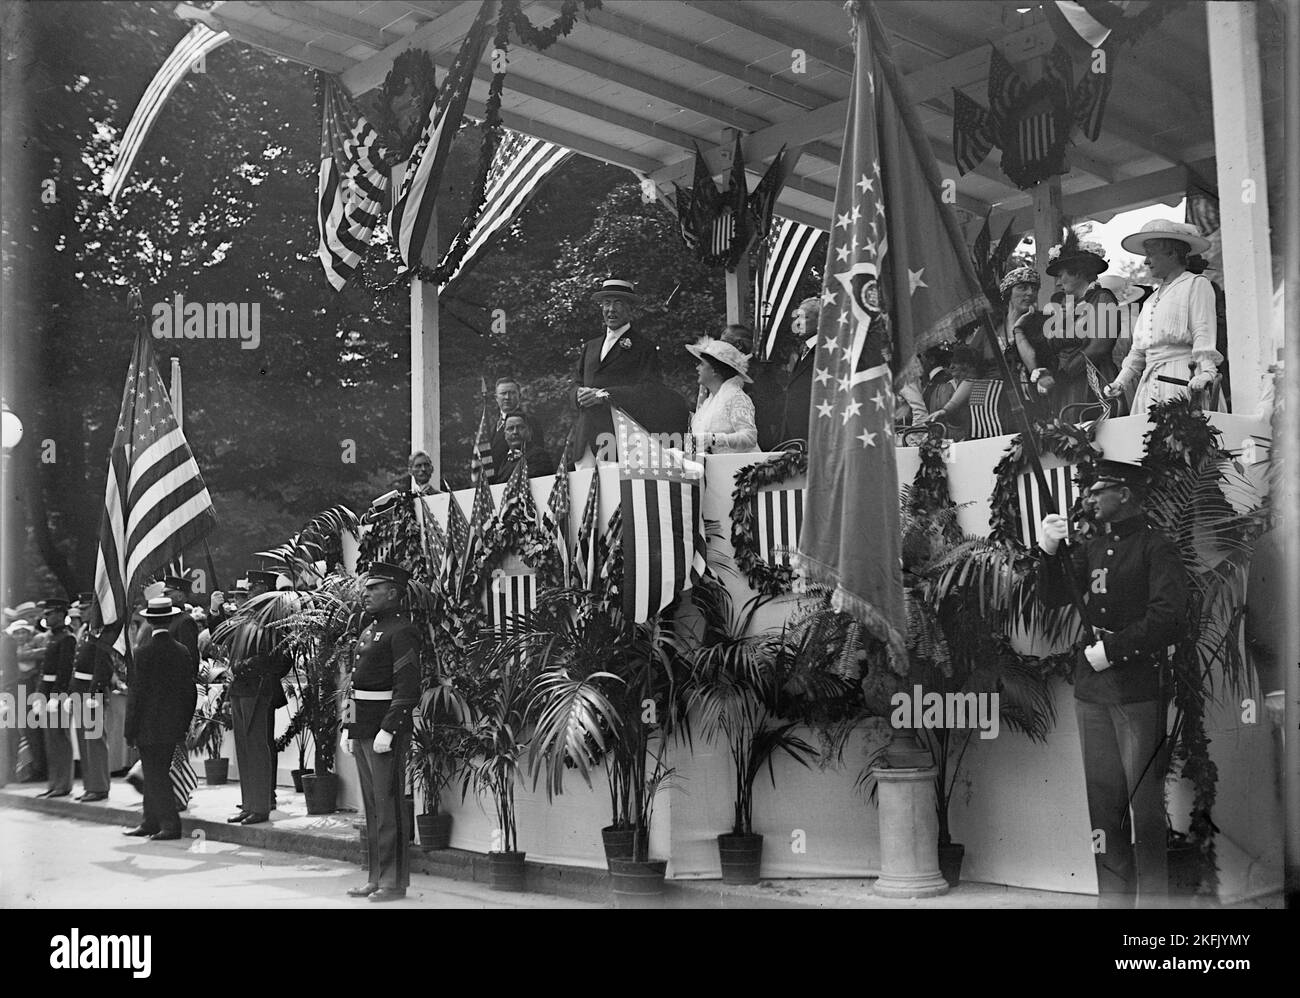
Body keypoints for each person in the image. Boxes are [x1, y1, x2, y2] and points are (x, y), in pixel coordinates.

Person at [1036, 460, 1186, 907]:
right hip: (1093, 691)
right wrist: (1048, 551)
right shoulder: (1092, 547)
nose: (1089, 497)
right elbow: (1052, 597)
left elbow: (1169, 618)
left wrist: (1114, 651)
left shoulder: (1157, 548)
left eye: (1099, 490)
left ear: (1124, 493)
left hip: (1137, 688)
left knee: (1144, 808)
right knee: (1104, 807)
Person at [342, 562, 421, 902]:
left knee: (388, 807)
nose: (367, 592)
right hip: (364, 728)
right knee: (373, 808)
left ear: (393, 592)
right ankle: (376, 876)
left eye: (374, 588)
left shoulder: (401, 630)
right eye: (367, 587)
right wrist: (350, 725)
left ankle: (393, 882)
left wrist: (389, 728)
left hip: (384, 731)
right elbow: (356, 686)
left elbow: (407, 687)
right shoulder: (369, 628)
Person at [1104, 219, 1224, 415]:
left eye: (1151, 254)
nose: (1146, 261)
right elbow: (1137, 352)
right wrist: (1121, 381)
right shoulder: (1151, 299)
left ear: (1172, 253)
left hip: (1183, 380)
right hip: (1149, 386)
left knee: (1181, 440)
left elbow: (1203, 334)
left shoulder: (1195, 284)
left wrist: (1207, 373)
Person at [122, 597, 198, 841]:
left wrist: (129, 730)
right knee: (156, 773)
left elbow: (136, 696)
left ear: (149, 621)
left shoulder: (141, 654)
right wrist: (184, 723)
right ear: (170, 618)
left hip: (148, 725)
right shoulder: (182, 651)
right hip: (172, 725)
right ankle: (150, 821)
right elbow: (190, 692)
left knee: (156, 775)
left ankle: (169, 824)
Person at [569, 278, 663, 467]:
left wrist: (604, 395)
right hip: (585, 438)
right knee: (584, 492)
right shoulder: (590, 346)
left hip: (621, 439)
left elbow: (650, 391)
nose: (611, 309)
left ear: (630, 309)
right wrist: (578, 394)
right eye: (607, 303)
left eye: (618, 303)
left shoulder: (644, 347)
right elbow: (575, 383)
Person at [224, 570, 291, 826]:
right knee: (243, 749)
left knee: (257, 747)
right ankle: (249, 803)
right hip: (241, 688)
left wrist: (250, 664)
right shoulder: (246, 619)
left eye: (255, 588)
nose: (250, 592)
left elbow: (282, 660)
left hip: (259, 688)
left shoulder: (275, 620)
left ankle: (260, 806)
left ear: (266, 590)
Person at [962, 267, 1056, 420]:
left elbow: (1035, 367)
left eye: (1034, 289)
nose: (1030, 293)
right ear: (1008, 293)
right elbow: (972, 375)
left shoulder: (1044, 324)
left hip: (1027, 404)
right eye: (1022, 288)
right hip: (988, 406)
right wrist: (947, 409)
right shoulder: (990, 328)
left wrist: (1019, 328)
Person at [1046, 233, 1120, 413]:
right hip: (1067, 386)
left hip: (1092, 383)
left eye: (1060, 275)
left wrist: (1064, 373)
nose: (1057, 284)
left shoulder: (1102, 298)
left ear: (1078, 273)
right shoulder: (1069, 308)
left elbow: (1099, 347)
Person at [70, 596, 113, 802]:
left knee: (95, 739)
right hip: (80, 689)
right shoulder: (86, 631)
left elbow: (104, 665)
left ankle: (99, 786)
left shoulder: (101, 633)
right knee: (83, 739)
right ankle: (90, 785)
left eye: (86, 609)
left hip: (91, 691)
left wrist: (96, 691)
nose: (82, 612)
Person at [685, 336, 758, 455]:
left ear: (714, 370)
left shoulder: (736, 397)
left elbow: (749, 437)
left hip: (736, 469)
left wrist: (714, 439)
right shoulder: (709, 401)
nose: (697, 368)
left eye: (702, 364)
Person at [35, 598, 76, 799]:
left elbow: (64, 671)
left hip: (57, 695)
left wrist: (57, 696)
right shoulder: (52, 637)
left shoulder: (67, 638)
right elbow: (45, 671)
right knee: (51, 740)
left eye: (50, 613)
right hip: (47, 692)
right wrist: (40, 695)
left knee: (60, 738)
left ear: (61, 614)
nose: (46, 617)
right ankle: (54, 783)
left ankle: (63, 784)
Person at [779, 298, 820, 446]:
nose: (798, 323)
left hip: (813, 433)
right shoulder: (804, 349)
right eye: (797, 317)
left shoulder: (825, 352)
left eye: (804, 317)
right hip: (795, 434)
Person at [488, 378, 547, 472]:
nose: (507, 397)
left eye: (512, 393)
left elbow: (536, 455)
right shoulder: (492, 426)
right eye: (503, 393)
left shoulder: (530, 422)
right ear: (496, 398)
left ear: (519, 396)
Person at [492, 412, 551, 483]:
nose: (515, 432)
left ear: (529, 431)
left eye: (520, 427)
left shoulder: (539, 456)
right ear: (505, 435)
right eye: (510, 428)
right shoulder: (505, 461)